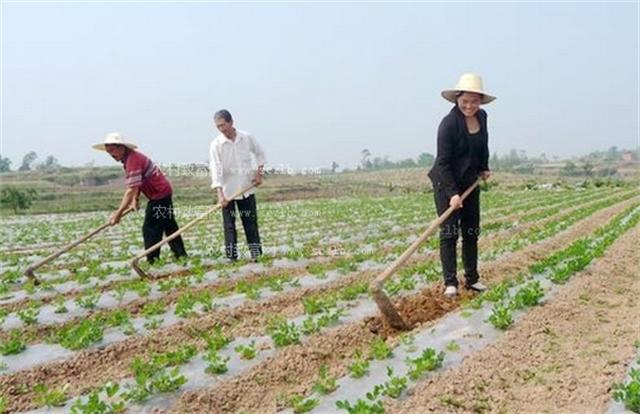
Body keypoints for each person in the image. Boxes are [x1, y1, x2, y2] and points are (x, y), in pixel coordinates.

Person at [427, 73, 495, 297]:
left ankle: (472, 279)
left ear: (480, 101)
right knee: (449, 233)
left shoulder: (482, 117)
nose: (469, 106)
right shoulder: (448, 124)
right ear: (457, 98)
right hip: (446, 183)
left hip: (470, 183)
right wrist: (452, 194)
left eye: (474, 101)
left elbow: (483, 144)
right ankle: (450, 283)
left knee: (471, 232)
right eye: (465, 101)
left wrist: (484, 167)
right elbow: (443, 163)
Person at [93, 132, 187, 263]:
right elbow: (137, 183)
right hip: (162, 192)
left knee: (150, 228)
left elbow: (130, 189)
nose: (111, 155)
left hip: (159, 195)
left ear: (121, 147)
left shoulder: (132, 160)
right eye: (109, 153)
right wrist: (135, 200)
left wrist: (118, 213)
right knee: (169, 225)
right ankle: (181, 255)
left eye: (112, 151)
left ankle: (152, 260)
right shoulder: (129, 159)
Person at [209, 110, 266, 262]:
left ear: (231, 122)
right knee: (229, 226)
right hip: (228, 192)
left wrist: (259, 174)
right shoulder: (216, 145)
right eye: (218, 127)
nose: (222, 129)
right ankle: (232, 257)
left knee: (250, 223)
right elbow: (216, 170)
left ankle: (256, 254)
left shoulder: (246, 138)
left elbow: (260, 154)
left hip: (246, 188)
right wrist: (220, 194)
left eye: (223, 125)